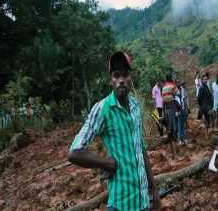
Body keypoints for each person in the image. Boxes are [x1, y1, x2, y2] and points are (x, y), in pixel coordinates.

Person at [68, 51, 160, 211]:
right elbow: (74, 152)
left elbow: (141, 149)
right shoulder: (103, 109)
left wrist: (154, 190)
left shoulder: (136, 106)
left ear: (131, 78)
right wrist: (105, 163)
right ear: (111, 80)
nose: (121, 81)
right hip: (120, 204)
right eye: (116, 76)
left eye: (125, 75)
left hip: (144, 201)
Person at [162, 73, 180, 158]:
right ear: (171, 79)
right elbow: (177, 93)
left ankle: (173, 153)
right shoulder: (172, 86)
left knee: (169, 131)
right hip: (172, 108)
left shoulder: (163, 88)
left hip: (166, 110)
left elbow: (163, 101)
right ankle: (176, 154)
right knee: (174, 131)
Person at [197, 74, 214, 139]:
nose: (205, 80)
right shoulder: (202, 88)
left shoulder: (206, 86)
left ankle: (208, 133)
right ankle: (208, 133)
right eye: (204, 79)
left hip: (208, 106)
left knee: (208, 119)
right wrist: (201, 105)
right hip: (205, 107)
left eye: (206, 79)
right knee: (210, 118)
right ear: (202, 80)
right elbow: (199, 98)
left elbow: (209, 96)